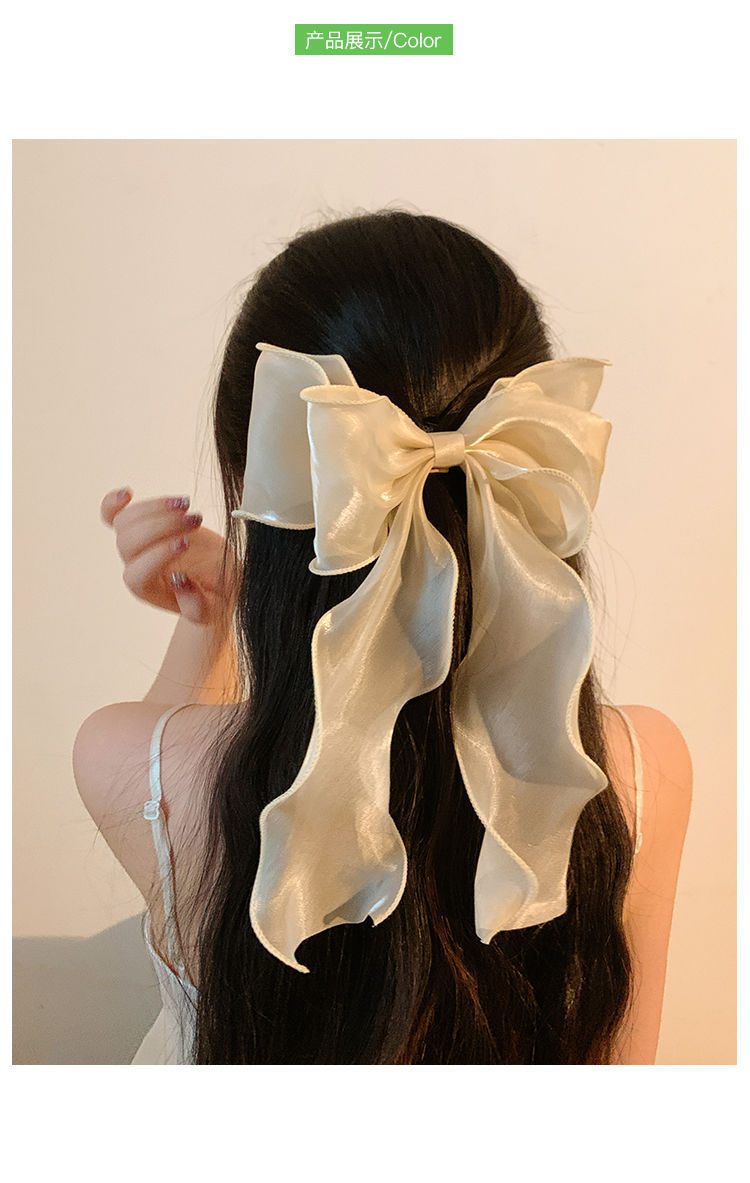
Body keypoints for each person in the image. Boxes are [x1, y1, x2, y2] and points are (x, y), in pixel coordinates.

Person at [72, 209, 693, 1065]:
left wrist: (208, 623)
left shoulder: (123, 759)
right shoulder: (641, 770)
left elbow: (160, 762)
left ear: (256, 481)